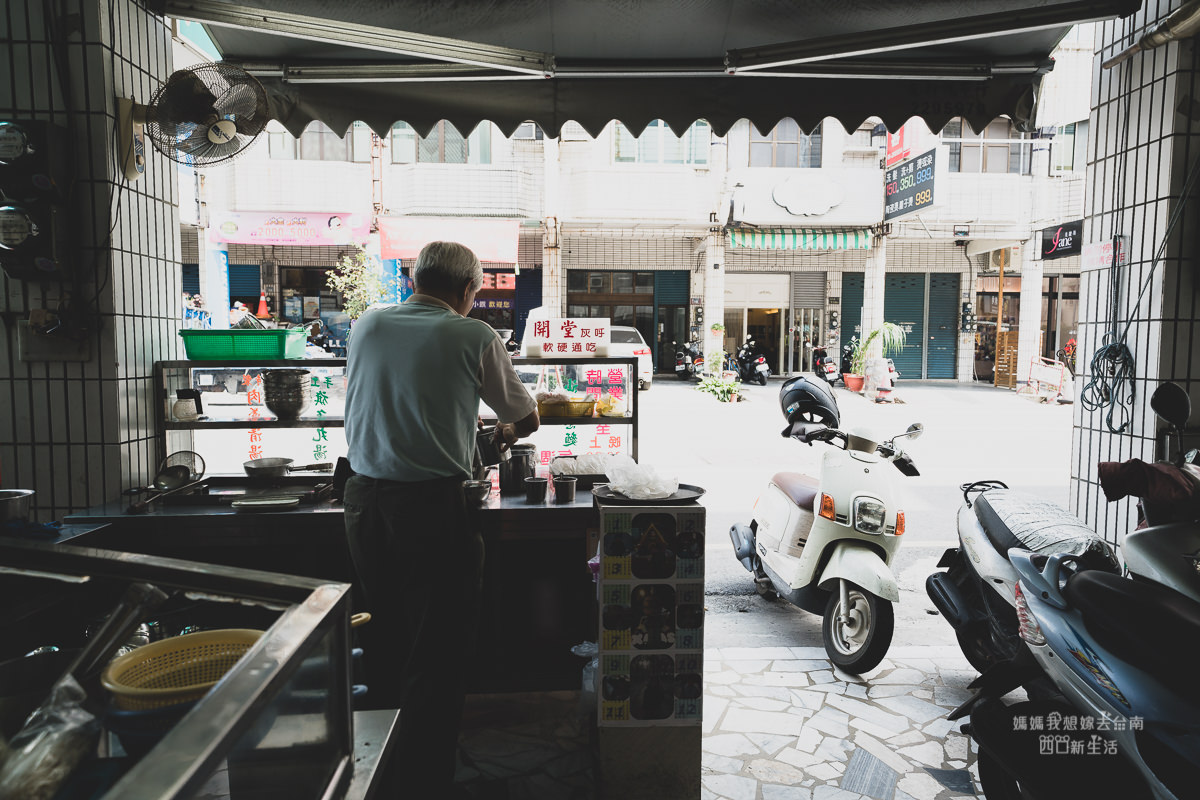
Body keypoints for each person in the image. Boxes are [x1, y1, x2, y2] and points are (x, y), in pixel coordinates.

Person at [342, 240, 539, 796]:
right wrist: (498, 435)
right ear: (467, 291)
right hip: (431, 510)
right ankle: (425, 780)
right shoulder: (473, 334)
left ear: (413, 278)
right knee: (438, 650)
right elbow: (526, 419)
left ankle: (378, 773)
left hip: (363, 504)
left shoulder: (367, 326)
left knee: (383, 638)